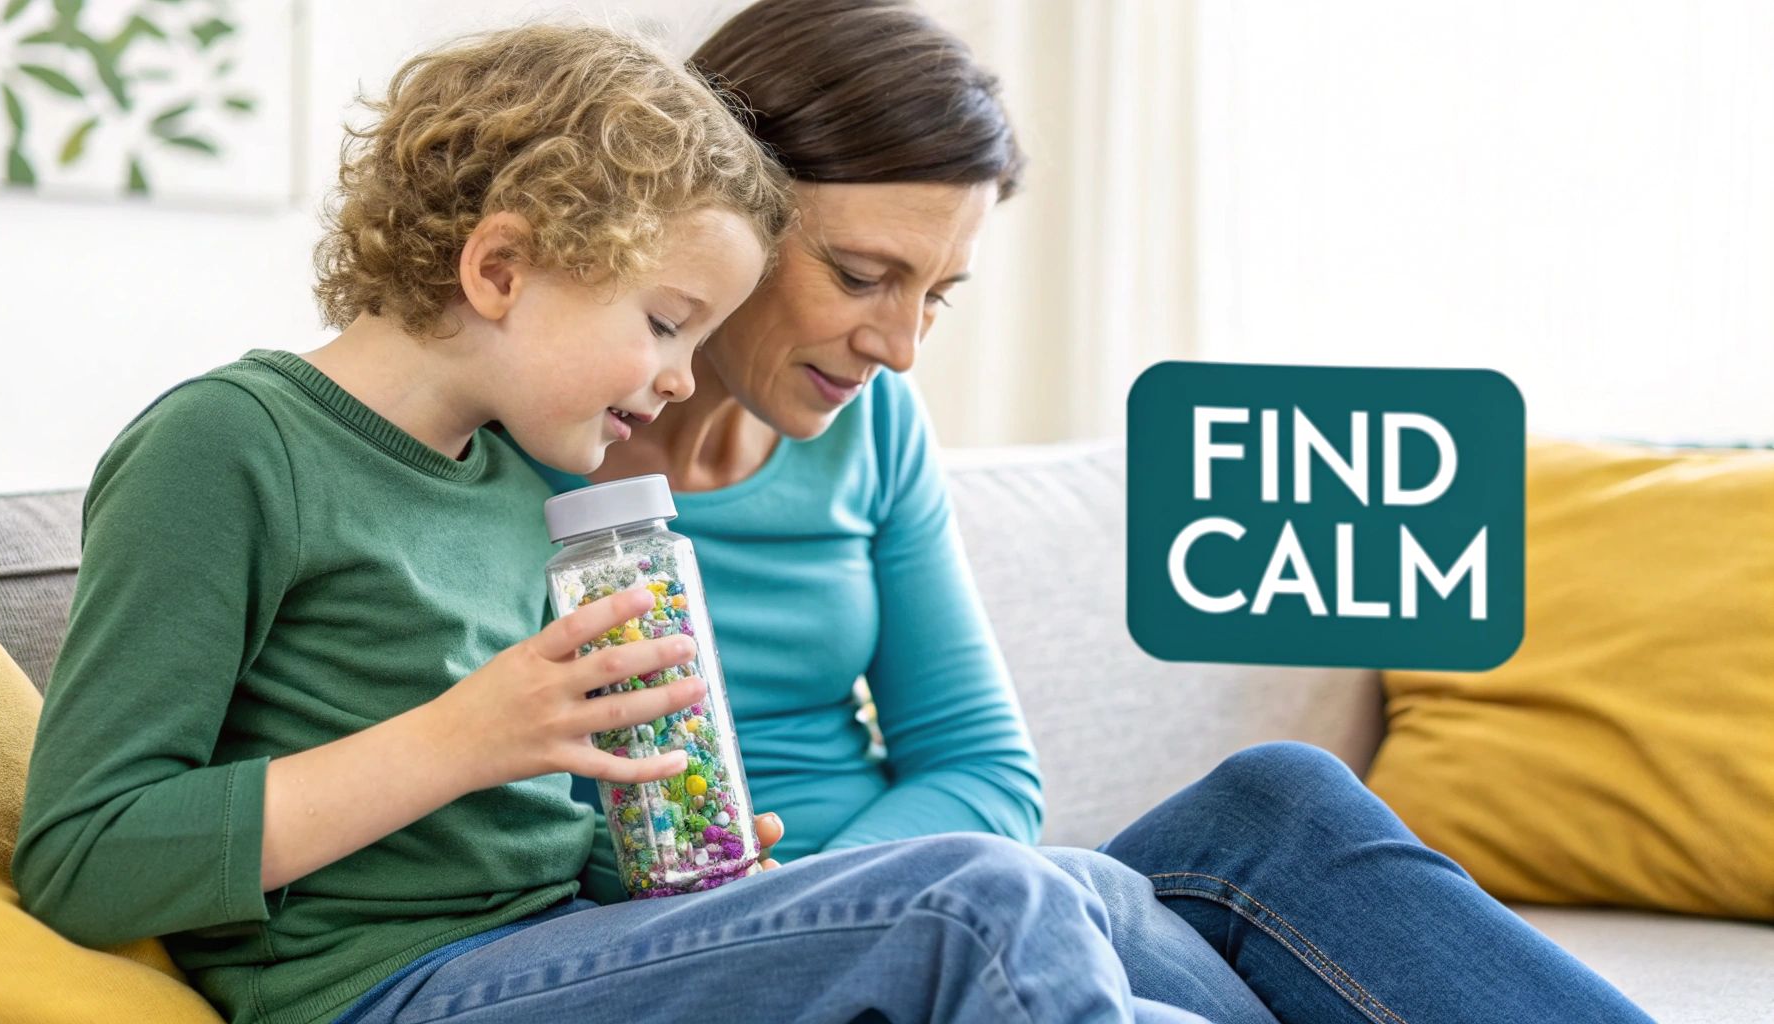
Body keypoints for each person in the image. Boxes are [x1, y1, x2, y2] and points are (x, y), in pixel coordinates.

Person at [10, 20, 1270, 1024]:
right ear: (497, 268)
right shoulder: (230, 448)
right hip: (383, 988)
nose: (678, 378)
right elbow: (84, 861)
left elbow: (548, 849)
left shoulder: (520, 486)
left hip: (567, 949)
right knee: (979, 905)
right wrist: (463, 737)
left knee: (1089, 886)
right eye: (666, 323)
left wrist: (690, 861)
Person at [516, 2, 1661, 1022]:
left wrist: (864, 879)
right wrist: (813, 903)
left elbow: (980, 767)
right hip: (710, 935)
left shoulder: (870, 432)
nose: (900, 347)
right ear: (718, 213)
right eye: (863, 277)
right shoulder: (533, 439)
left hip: (942, 892)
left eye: (936, 295)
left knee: (1281, 796)